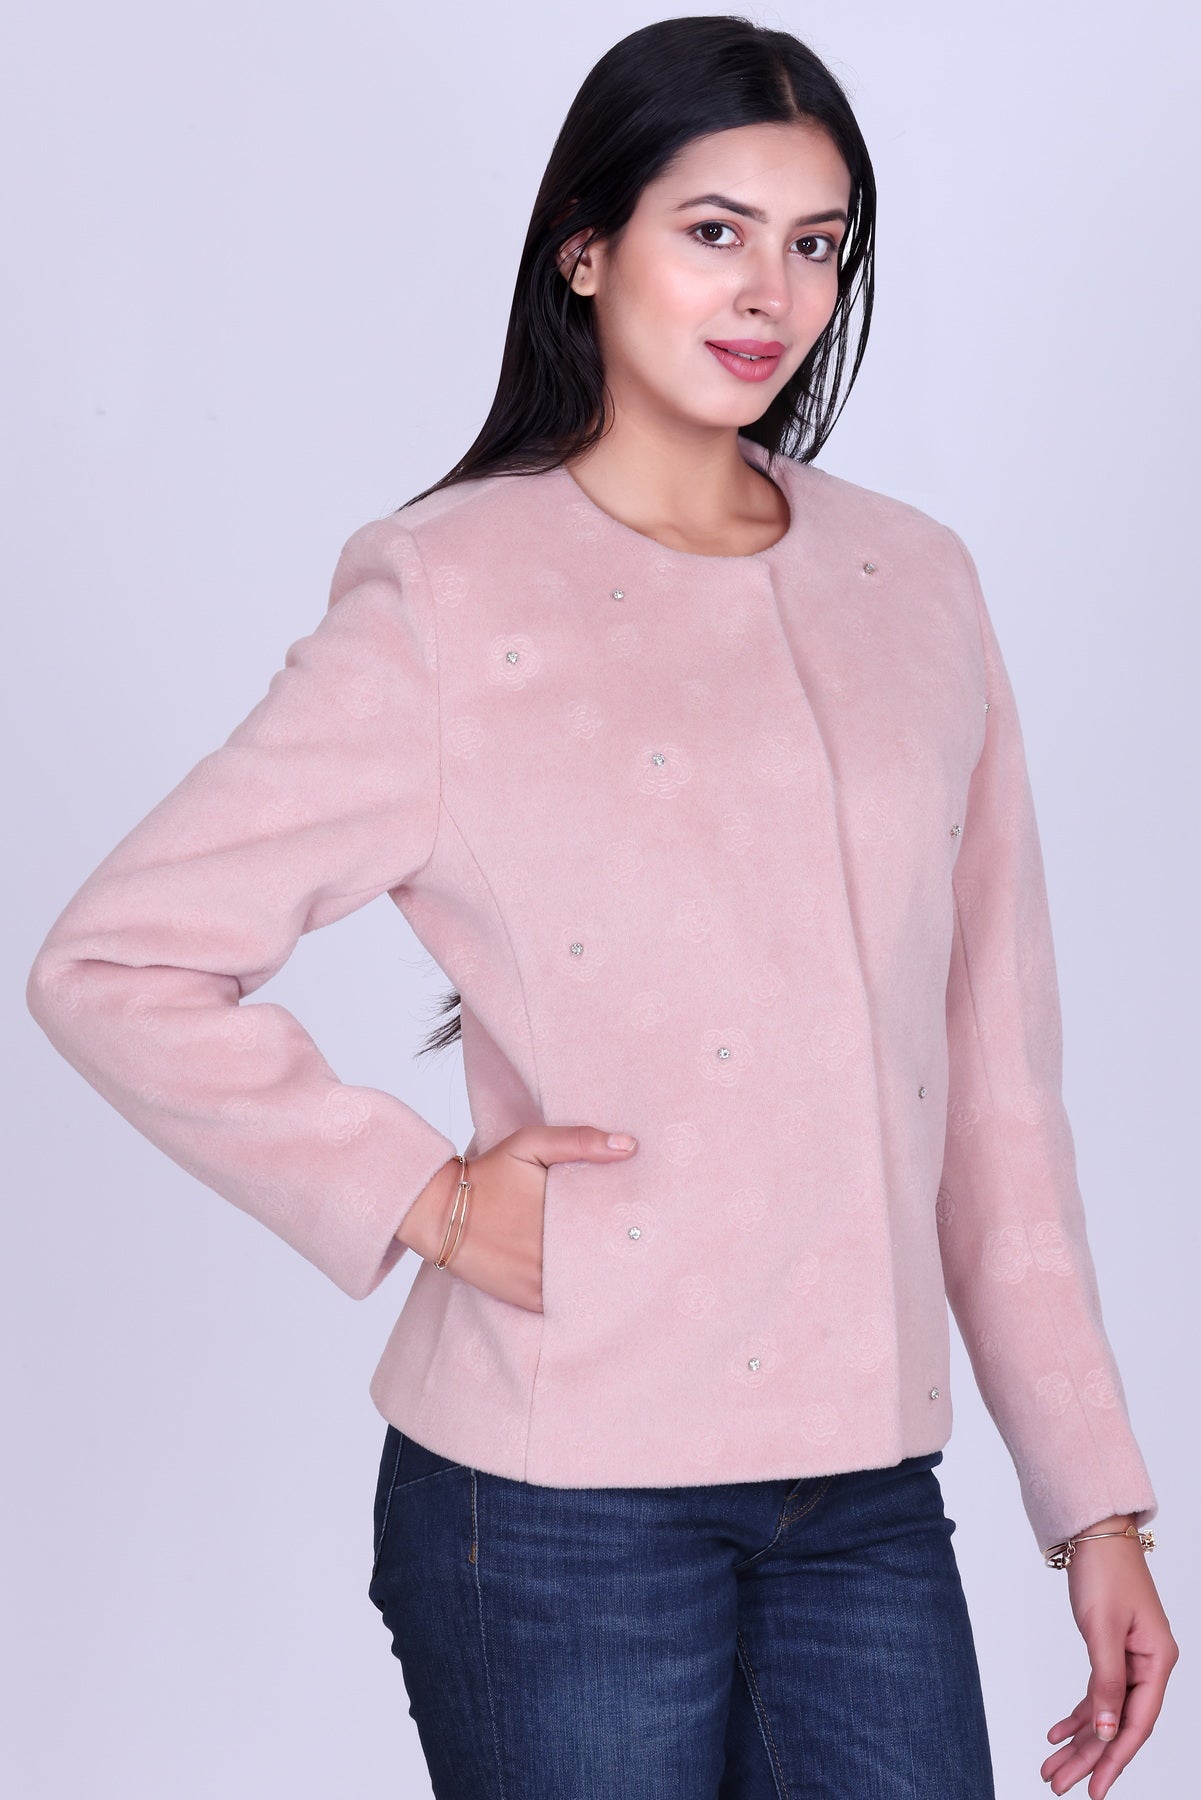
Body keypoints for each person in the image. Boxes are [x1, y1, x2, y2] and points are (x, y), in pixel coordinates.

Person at [25, 15, 1177, 1800]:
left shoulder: (916, 584)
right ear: (586, 248)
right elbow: (116, 960)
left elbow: (993, 1093)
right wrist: (415, 1193)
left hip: (862, 1499)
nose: (770, 293)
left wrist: (1092, 1504)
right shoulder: (447, 592)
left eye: (815, 244)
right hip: (554, 1509)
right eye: (713, 230)